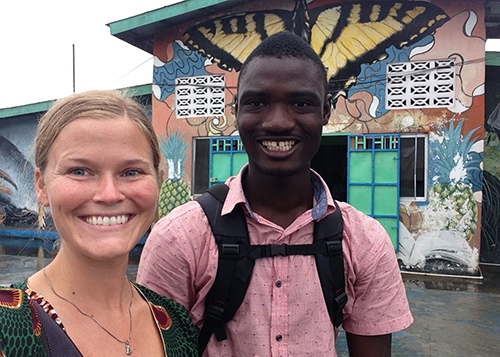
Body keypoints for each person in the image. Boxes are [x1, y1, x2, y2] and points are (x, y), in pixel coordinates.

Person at [137, 31, 413, 357]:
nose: (278, 122)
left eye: (300, 103)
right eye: (257, 103)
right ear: (235, 110)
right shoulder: (180, 237)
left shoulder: (364, 242)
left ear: (325, 111)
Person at [0, 90, 198, 357]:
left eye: (131, 172)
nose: (109, 195)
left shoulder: (177, 325)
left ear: (158, 181)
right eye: (79, 171)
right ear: (41, 185)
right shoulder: (7, 328)